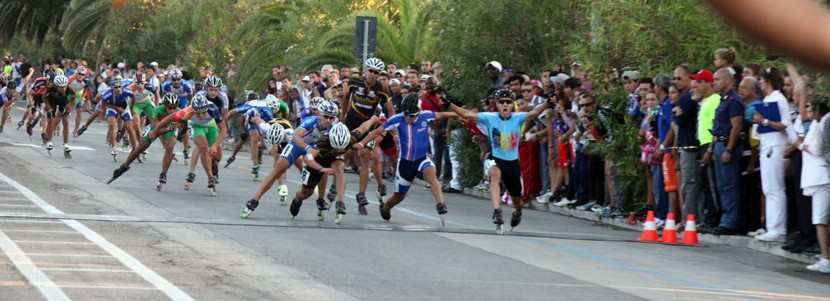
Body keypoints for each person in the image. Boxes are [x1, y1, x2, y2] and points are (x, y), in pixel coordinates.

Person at [449, 88, 550, 232]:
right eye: (501, 102)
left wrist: (548, 103)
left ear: (512, 104)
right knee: (495, 176)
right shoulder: (489, 117)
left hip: (512, 163)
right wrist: (450, 104)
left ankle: (518, 211)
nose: (505, 105)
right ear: (496, 104)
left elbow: (534, 113)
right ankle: (497, 211)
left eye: (508, 102)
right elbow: (466, 114)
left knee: (517, 200)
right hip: (495, 158)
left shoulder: (518, 117)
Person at [377, 94, 453, 224]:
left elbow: (444, 114)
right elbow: (378, 132)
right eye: (406, 114)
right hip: (405, 164)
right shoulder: (396, 119)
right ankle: (385, 207)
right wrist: (365, 144)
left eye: (412, 115)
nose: (408, 118)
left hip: (421, 159)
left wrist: (464, 115)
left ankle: (440, 204)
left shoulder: (426, 115)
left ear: (419, 111)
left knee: (431, 175)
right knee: (399, 196)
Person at [339, 57, 394, 215]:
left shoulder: (382, 87)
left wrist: (391, 128)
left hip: (369, 123)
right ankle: (335, 187)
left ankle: (361, 194)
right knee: (345, 154)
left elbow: (390, 110)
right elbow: (345, 100)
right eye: (371, 71)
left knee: (367, 155)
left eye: (376, 72)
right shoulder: (354, 82)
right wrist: (342, 117)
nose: (373, 74)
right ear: (365, 71)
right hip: (351, 121)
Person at [752, 67, 792, 242]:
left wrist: (765, 121)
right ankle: (771, 226)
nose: (759, 83)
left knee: (775, 188)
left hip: (776, 146)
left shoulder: (779, 99)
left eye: (761, 80)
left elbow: (785, 124)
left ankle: (778, 228)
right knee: (768, 188)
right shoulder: (767, 99)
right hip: (767, 145)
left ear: (768, 81)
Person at [707, 67, 744, 235]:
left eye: (717, 79)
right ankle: (725, 219)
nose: (714, 82)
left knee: (729, 185)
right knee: (722, 185)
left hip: (728, 145)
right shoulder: (724, 100)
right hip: (719, 144)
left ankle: (730, 222)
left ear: (728, 81)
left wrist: (729, 149)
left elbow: (736, 126)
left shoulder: (734, 100)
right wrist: (711, 148)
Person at [43, 75, 75, 157]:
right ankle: (49, 141)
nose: (63, 88)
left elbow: (72, 100)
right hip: (52, 101)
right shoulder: (51, 88)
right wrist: (49, 108)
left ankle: (66, 144)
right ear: (56, 86)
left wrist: (69, 108)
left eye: (64, 86)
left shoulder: (70, 90)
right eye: (60, 87)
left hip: (63, 101)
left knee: (66, 121)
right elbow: (44, 98)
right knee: (50, 119)